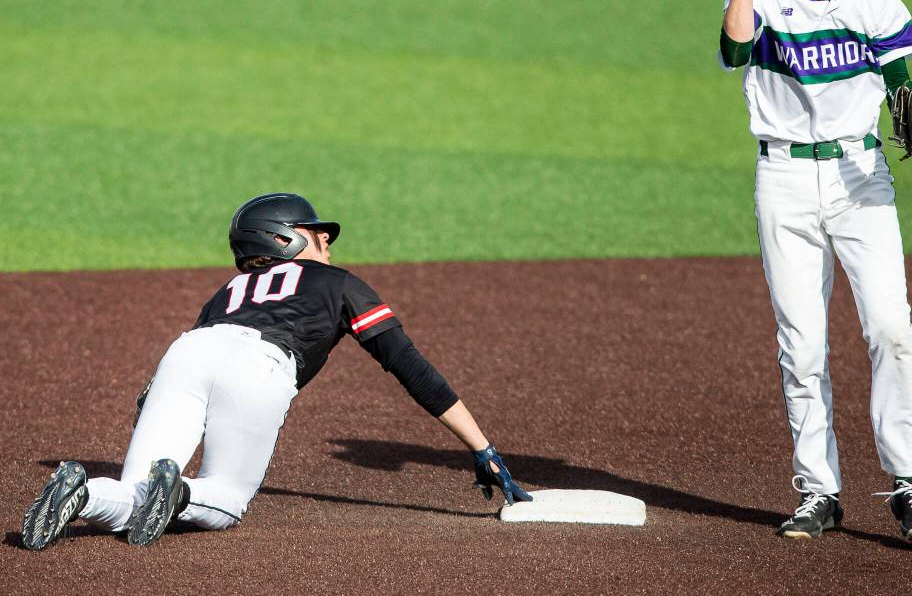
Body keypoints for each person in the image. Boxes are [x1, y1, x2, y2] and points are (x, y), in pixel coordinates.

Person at [22, 192, 531, 550]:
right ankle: (180, 491)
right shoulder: (338, 283)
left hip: (185, 353)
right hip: (259, 365)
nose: (327, 242)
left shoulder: (226, 291)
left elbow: (174, 372)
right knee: (226, 498)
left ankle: (86, 492)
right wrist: (481, 446)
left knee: (135, 495)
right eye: (317, 233)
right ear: (283, 236)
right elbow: (408, 364)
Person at [718, 0, 912, 543]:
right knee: (803, 344)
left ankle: (911, 484)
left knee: (893, 329)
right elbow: (733, 50)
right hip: (782, 180)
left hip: (860, 176)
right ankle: (819, 490)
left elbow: (902, 85)